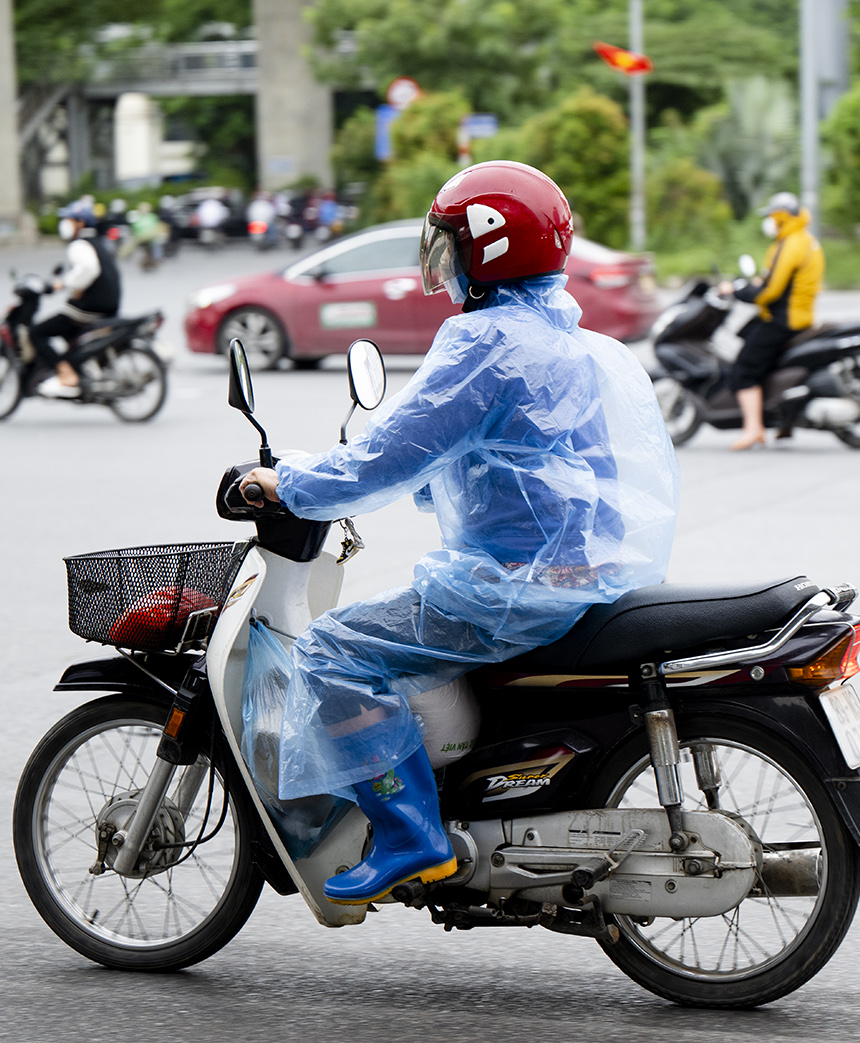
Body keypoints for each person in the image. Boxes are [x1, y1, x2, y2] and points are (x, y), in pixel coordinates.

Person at [236, 160, 681, 906]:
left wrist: (293, 484)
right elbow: (514, 462)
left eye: (450, 243)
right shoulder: (566, 339)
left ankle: (413, 834)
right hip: (583, 570)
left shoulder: (484, 343)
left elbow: (391, 455)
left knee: (335, 649)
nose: (441, 261)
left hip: (513, 587)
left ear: (486, 250)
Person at [720, 191, 824, 450]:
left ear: (781, 217)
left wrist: (737, 291)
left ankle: (754, 429)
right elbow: (779, 280)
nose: (768, 222)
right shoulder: (805, 240)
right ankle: (782, 422)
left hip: (783, 319)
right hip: (799, 316)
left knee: (745, 367)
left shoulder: (790, 244)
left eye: (771, 216)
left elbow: (771, 291)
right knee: (767, 362)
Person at [32, 216, 122, 398]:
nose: (65, 223)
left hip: (89, 308)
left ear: (80, 223)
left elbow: (89, 269)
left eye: (70, 219)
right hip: (108, 305)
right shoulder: (97, 242)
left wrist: (62, 283)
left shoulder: (79, 244)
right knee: (71, 336)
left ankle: (66, 375)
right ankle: (81, 367)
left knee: (37, 332)